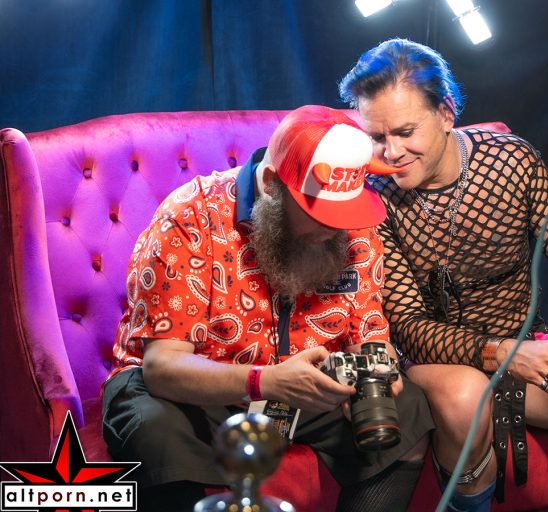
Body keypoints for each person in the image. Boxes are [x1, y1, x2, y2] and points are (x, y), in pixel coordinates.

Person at [339, 39, 548, 511]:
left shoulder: (512, 161)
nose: (390, 152)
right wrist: (508, 355)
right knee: (465, 397)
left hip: (526, 344)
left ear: (446, 113)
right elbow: (409, 328)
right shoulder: (373, 196)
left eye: (406, 131)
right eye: (376, 136)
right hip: (437, 360)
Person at [101, 105, 434, 512]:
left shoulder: (351, 226)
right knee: (154, 429)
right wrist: (264, 381)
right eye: (320, 212)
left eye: (345, 212)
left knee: (408, 408)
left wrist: (374, 373)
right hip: (198, 392)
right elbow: (163, 368)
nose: (336, 227)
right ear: (273, 184)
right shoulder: (191, 217)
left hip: (306, 392)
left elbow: (368, 334)